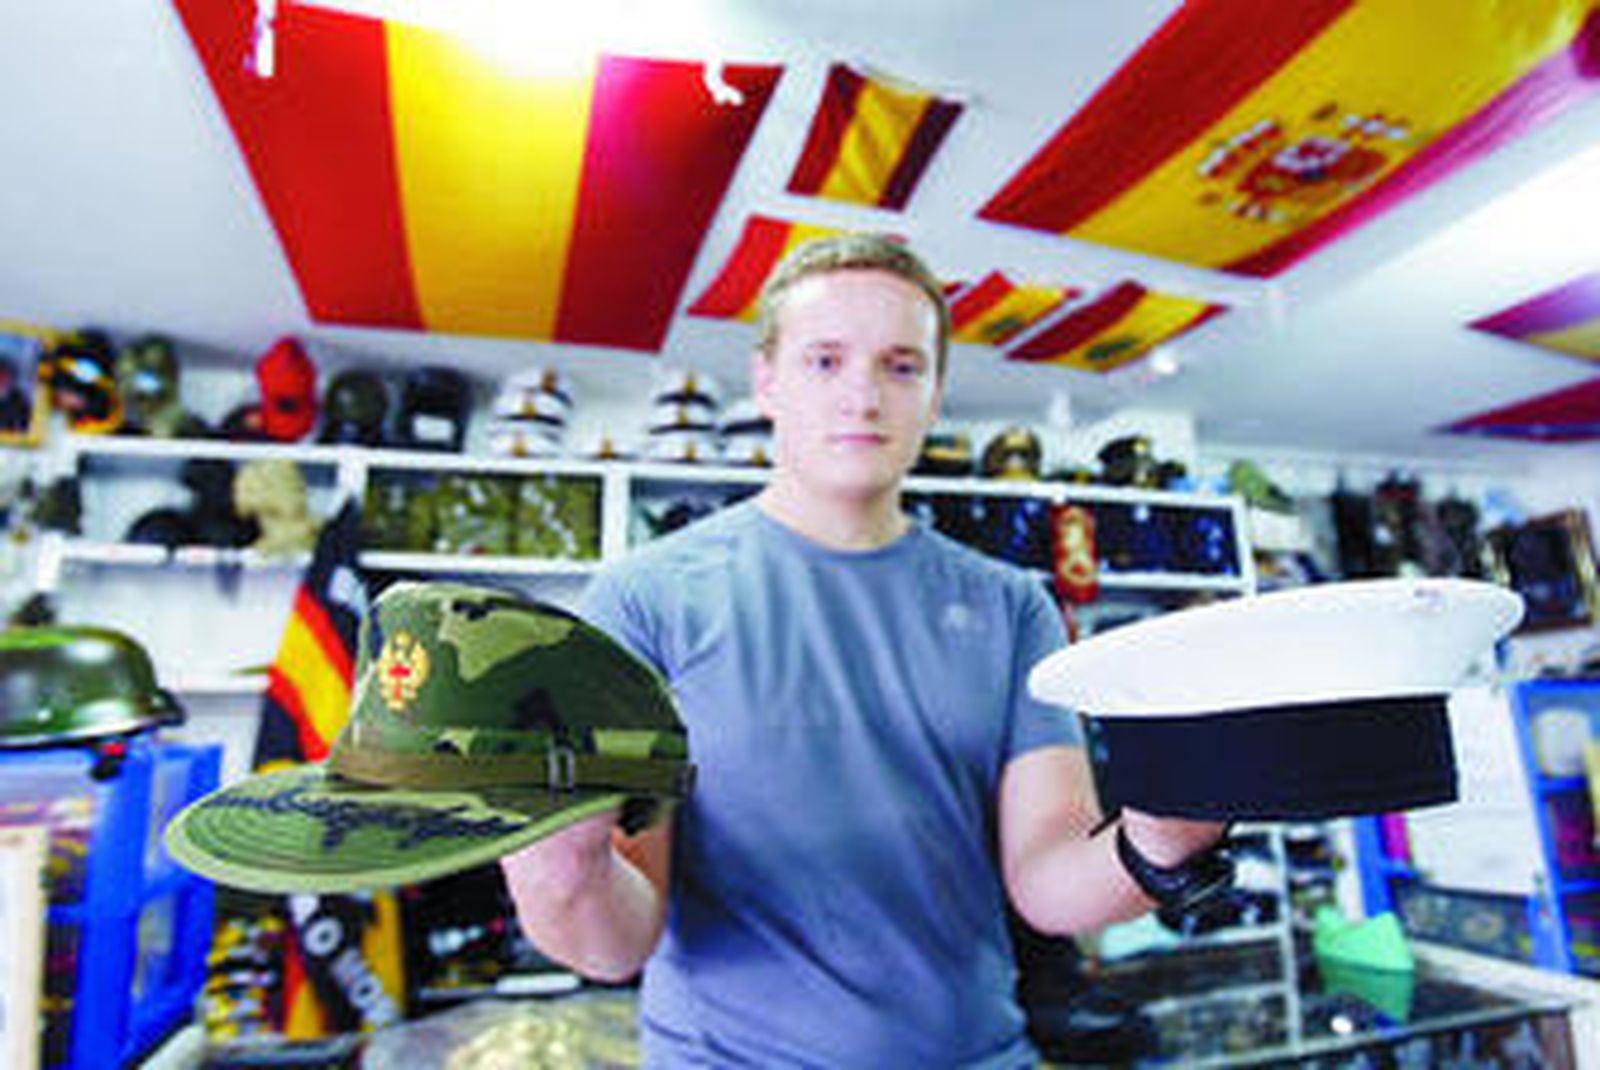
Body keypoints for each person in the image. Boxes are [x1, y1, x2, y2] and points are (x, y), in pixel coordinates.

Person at [500, 234, 1224, 1067]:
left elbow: (1048, 879)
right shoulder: (642, 600)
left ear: (935, 392)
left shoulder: (1014, 606)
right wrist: (559, 861)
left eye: (900, 366)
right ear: (766, 380)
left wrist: (1165, 839)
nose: (863, 395)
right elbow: (614, 944)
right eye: (824, 360)